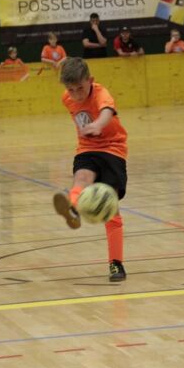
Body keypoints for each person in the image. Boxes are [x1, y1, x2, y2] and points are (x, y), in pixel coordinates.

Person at [53, 57, 128, 282]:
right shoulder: (66, 98)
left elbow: (106, 111)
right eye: (71, 89)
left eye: (80, 88)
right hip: (86, 148)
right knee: (81, 177)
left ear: (90, 80)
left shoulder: (100, 93)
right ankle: (73, 207)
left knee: (110, 208)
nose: (76, 94)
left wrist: (97, 125)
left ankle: (116, 263)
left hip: (113, 149)